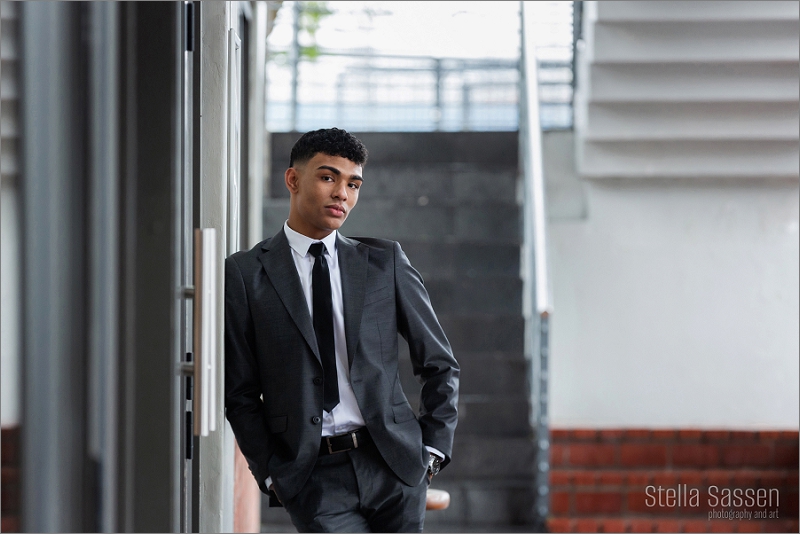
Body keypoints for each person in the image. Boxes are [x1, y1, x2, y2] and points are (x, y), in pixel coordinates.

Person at [225, 128, 460, 532]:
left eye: (353, 184)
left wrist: (433, 448)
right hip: (312, 476)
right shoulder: (246, 274)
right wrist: (270, 474)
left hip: (393, 463)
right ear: (293, 180)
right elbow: (240, 392)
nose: (342, 194)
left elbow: (438, 361)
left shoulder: (383, 262)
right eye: (328, 177)